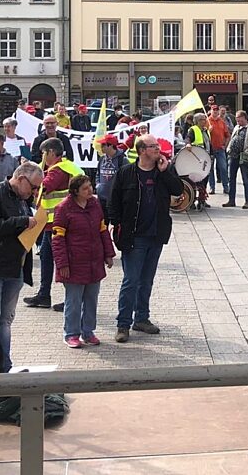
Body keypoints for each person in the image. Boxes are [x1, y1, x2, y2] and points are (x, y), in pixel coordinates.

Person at [107, 134, 183, 343]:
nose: (158, 149)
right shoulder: (126, 173)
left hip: (156, 235)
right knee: (131, 280)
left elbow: (178, 190)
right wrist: (115, 225)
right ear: (142, 151)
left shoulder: (163, 172)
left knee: (146, 280)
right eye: (153, 146)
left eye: (157, 145)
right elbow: (114, 202)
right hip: (134, 236)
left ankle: (141, 318)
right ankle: (123, 324)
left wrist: (165, 171)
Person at [0, 161, 45, 371]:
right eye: (33, 187)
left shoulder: (23, 198)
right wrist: (22, 221)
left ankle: (3, 365)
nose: (35, 192)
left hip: (15, 268)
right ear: (21, 179)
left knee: (6, 320)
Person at [52, 174, 115, 348]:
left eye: (90, 186)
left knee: (91, 300)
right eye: (85, 188)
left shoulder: (95, 204)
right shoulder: (63, 208)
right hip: (73, 263)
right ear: (75, 191)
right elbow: (57, 239)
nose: (90, 190)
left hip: (94, 261)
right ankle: (71, 334)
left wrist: (108, 253)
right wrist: (62, 264)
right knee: (73, 301)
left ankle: (88, 332)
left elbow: (102, 230)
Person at [24, 138, 83, 310]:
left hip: (57, 223)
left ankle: (71, 299)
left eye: (43, 153)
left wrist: (33, 175)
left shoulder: (57, 171)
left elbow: (43, 186)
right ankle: (44, 294)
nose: (42, 156)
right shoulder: (68, 166)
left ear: (51, 152)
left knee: (61, 260)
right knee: (46, 258)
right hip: (53, 223)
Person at [222, 111, 248, 209]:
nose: (237, 120)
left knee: (245, 178)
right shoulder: (237, 127)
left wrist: (246, 152)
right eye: (237, 118)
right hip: (233, 156)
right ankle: (231, 200)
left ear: (244, 118)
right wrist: (229, 148)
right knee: (231, 178)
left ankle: (247, 201)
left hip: (244, 156)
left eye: (239, 118)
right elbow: (232, 138)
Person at [186, 113, 212, 210]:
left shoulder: (206, 130)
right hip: (197, 159)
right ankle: (192, 201)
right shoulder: (193, 129)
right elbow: (188, 138)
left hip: (206, 158)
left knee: (205, 180)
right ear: (197, 121)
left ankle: (202, 199)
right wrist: (188, 144)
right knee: (195, 181)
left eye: (204, 119)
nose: (204, 121)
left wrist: (212, 155)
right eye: (202, 119)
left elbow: (208, 143)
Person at [94, 135, 127, 212]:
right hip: (102, 198)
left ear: (111, 146)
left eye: (103, 145)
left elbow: (127, 178)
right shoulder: (102, 159)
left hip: (116, 199)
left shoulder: (123, 160)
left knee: (116, 222)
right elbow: (98, 173)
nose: (101, 147)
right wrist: (98, 186)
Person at [207, 106, 231, 195]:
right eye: (214, 110)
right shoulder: (207, 121)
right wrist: (208, 131)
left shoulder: (222, 121)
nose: (216, 112)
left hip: (220, 149)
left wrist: (225, 145)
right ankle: (212, 188)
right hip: (210, 149)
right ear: (211, 111)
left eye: (217, 110)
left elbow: (227, 135)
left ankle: (226, 187)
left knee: (224, 168)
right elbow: (203, 134)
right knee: (210, 169)